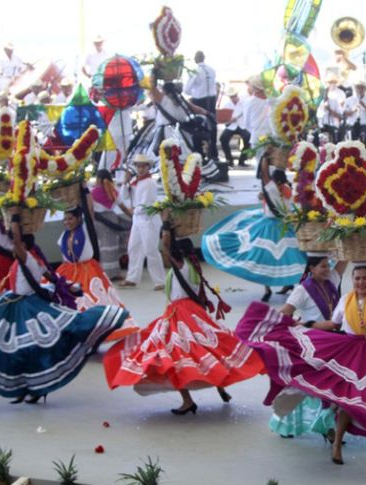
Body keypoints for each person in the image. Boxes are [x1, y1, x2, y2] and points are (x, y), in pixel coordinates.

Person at [236, 247, 366, 467]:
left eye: (365, 278)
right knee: (348, 401)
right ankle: (337, 445)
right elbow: (333, 324)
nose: (361, 282)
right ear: (352, 280)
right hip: (350, 354)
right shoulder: (345, 300)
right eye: (357, 278)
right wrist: (305, 325)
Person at [0, 207, 128, 403]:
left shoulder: (27, 257)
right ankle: (32, 389)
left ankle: (32, 388)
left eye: (16, 244)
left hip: (25, 307)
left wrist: (15, 215)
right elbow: (54, 277)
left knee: (19, 348)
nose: (12, 246)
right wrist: (70, 286)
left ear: (22, 246)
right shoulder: (36, 259)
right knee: (27, 349)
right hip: (18, 302)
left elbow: (19, 244)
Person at [103, 228, 265, 414]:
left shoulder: (181, 267)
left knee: (175, 356)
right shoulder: (192, 266)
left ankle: (188, 401)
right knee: (209, 349)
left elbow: (166, 249)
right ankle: (221, 389)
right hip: (193, 312)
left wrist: (167, 231)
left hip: (180, 314)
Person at [201, 157, 306, 301]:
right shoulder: (288, 190)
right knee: (286, 258)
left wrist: (264, 158)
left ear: (277, 182)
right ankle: (288, 284)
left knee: (263, 258)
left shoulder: (273, 189)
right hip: (285, 226)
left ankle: (267, 289)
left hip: (270, 227)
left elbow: (264, 174)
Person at [267, 255, 348, 440]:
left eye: (328, 266)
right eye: (322, 266)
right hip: (313, 346)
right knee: (302, 387)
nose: (327, 269)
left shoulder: (332, 280)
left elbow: (345, 259)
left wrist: (350, 239)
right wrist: (266, 323)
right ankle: (285, 424)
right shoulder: (302, 290)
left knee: (332, 385)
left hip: (333, 343)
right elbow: (286, 311)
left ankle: (328, 427)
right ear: (311, 268)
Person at [55, 205, 125, 311]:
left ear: (78, 219)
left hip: (87, 270)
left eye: (70, 219)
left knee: (90, 296)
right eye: (65, 219)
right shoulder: (64, 236)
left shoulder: (85, 230)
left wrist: (84, 197)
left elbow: (89, 211)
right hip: (68, 269)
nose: (67, 222)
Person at [117, 154, 166, 289]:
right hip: (138, 219)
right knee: (133, 247)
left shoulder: (149, 183)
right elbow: (124, 196)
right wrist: (125, 182)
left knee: (151, 250)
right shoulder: (135, 181)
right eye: (138, 166)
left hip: (148, 219)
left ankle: (160, 281)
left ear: (148, 167)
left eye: (143, 166)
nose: (140, 169)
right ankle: (132, 278)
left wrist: (134, 210)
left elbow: (146, 204)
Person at [91, 169, 132, 280]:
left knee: (104, 248)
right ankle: (114, 273)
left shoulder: (93, 192)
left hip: (99, 222)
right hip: (112, 220)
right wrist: (133, 218)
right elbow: (124, 208)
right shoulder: (113, 191)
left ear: (98, 179)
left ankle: (105, 274)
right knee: (113, 248)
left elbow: (90, 209)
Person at [184, 51, 218, 161]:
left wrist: (194, 92)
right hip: (211, 100)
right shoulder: (212, 70)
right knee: (212, 125)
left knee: (198, 126)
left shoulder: (194, 71)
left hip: (199, 101)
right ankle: (213, 153)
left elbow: (186, 89)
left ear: (195, 59)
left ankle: (199, 152)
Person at [219, 85, 251, 167]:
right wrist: (229, 120)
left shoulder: (244, 102)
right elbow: (224, 120)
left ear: (237, 95)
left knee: (248, 137)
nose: (233, 98)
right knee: (223, 138)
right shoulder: (227, 105)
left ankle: (242, 159)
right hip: (231, 126)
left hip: (242, 125)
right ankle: (229, 159)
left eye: (234, 96)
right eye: (231, 96)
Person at [343, 80, 366, 149]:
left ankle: (363, 151)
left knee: (363, 135)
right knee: (351, 138)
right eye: (358, 88)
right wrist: (353, 110)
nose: (360, 90)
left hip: (365, 124)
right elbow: (345, 113)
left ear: (365, 89)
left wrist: (364, 106)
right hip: (352, 123)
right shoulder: (349, 100)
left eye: (362, 88)